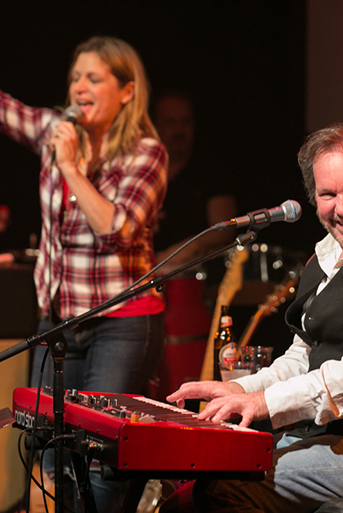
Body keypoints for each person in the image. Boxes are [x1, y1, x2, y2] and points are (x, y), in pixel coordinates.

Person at [0, 1, 167, 512]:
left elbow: (117, 230)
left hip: (118, 323)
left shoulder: (145, 153)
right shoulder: (54, 131)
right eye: (75, 78)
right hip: (58, 322)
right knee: (50, 455)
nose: (79, 88)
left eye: (94, 78)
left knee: (103, 462)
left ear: (127, 91)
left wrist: (70, 167)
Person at [165, 123, 343, 512]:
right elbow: (304, 355)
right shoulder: (326, 253)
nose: (342, 208)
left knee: (225, 489)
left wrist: (265, 402)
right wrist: (242, 391)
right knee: (187, 492)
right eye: (328, 194)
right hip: (331, 439)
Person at [149, 90, 237, 400]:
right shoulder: (143, 172)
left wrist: (169, 258)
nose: (178, 129)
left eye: (185, 122)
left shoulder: (209, 170)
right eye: (169, 122)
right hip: (139, 290)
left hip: (191, 290)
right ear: (154, 125)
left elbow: (223, 230)